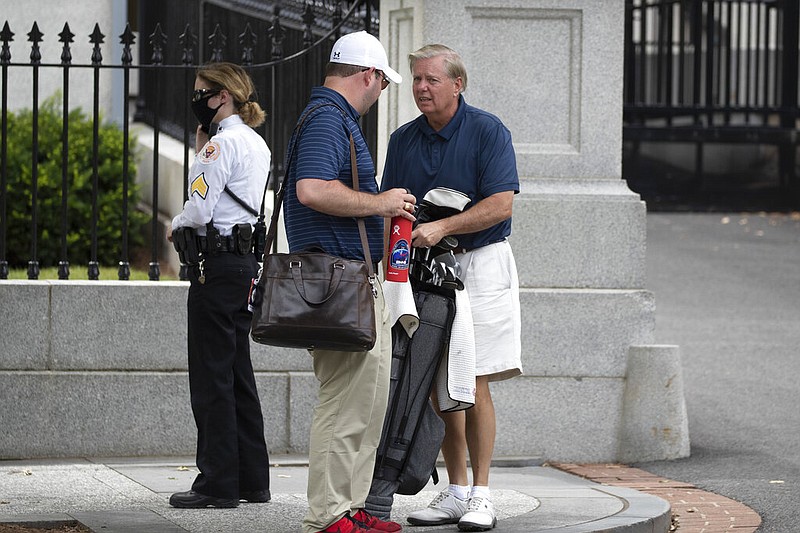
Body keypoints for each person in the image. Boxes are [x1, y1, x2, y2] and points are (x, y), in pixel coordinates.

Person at [380, 44, 522, 532]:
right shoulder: (402, 140)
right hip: (424, 267)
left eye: (431, 80)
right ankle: (456, 491)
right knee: (437, 377)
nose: (421, 88)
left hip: (480, 263)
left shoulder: (487, 130)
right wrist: (390, 269)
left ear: (457, 84)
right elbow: (393, 211)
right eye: (417, 80)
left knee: (474, 376)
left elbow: (502, 204)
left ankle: (482, 495)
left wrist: (443, 228)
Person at [283, 31, 417, 533]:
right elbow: (313, 189)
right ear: (369, 76)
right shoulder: (326, 119)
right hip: (338, 283)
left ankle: (351, 507)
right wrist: (382, 204)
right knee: (345, 402)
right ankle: (329, 514)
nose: (381, 93)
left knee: (364, 400)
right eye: (382, 83)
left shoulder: (330, 118)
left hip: (350, 282)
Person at [167, 62, 271, 509]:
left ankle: (216, 483)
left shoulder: (220, 145)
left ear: (222, 96)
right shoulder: (256, 141)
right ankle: (252, 480)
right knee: (237, 372)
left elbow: (198, 209)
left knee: (212, 375)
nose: (196, 100)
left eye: (201, 92)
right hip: (244, 263)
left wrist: (176, 224)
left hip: (217, 265)